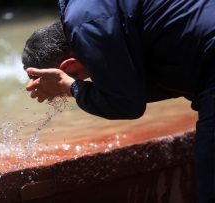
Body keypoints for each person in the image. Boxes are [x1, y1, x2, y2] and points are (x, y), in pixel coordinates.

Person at [22, 0, 215, 202]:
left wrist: (71, 87)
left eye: (79, 77)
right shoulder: (93, 11)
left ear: (69, 66)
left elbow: (126, 103)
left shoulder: (86, 24)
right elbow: (134, 87)